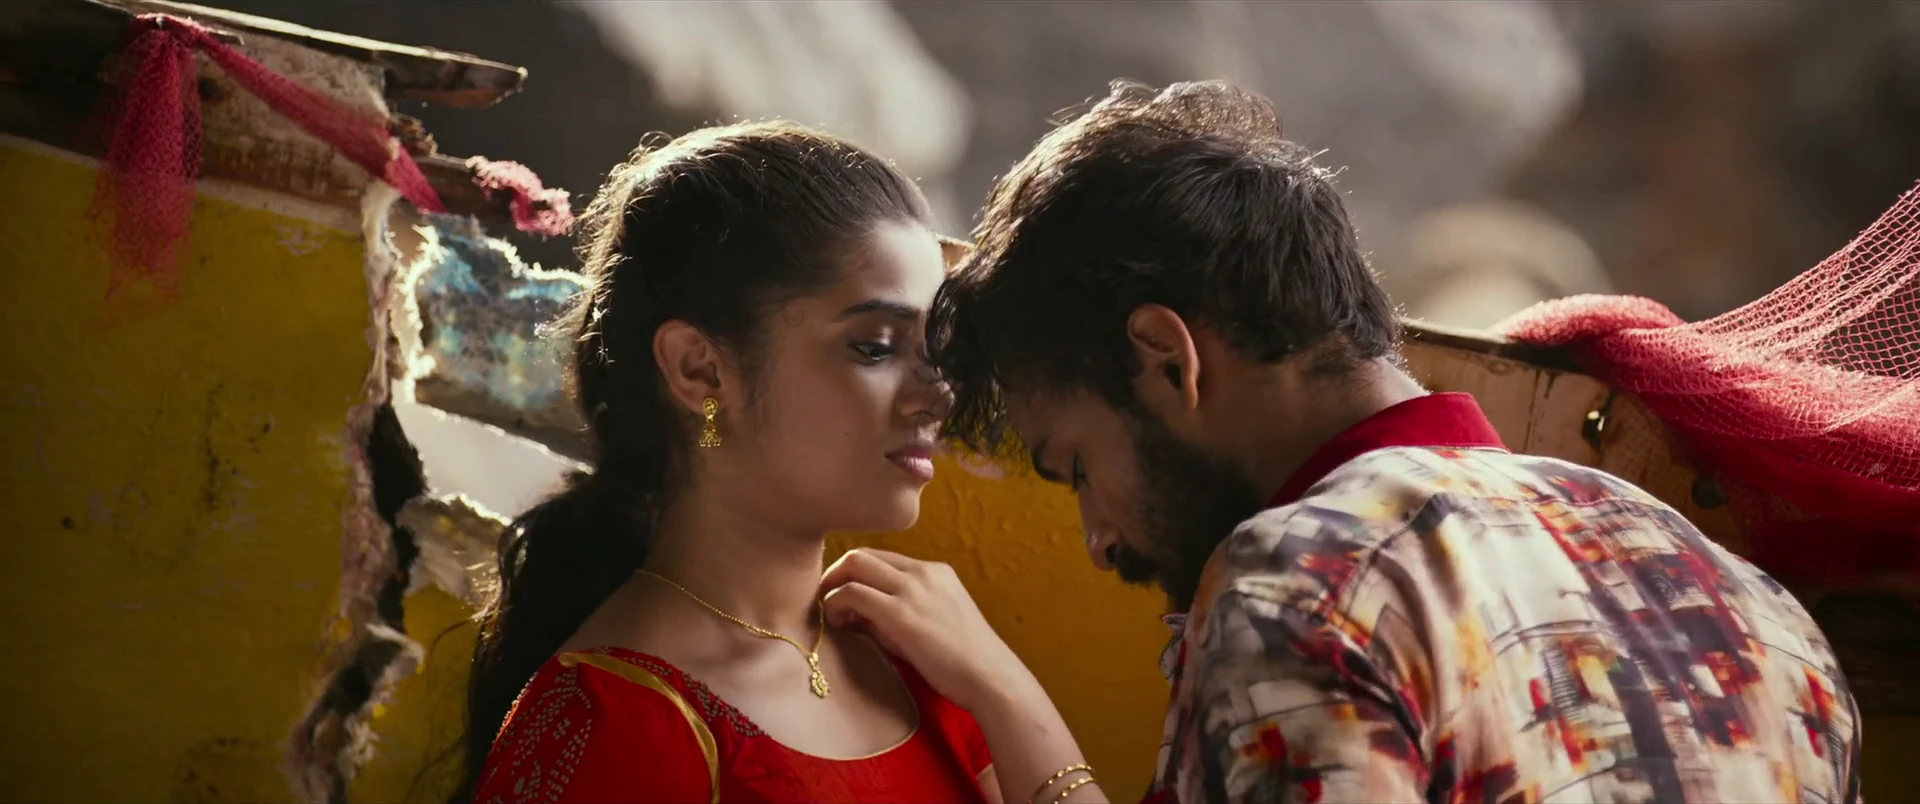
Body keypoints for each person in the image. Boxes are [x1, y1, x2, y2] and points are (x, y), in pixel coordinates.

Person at [822, 80, 1863, 804]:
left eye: (1079, 467)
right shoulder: (1737, 592)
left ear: (1168, 359)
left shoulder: (1301, 582)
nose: (1099, 538)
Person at [457, 121, 1003, 804]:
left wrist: (1001, 688)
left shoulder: (923, 654)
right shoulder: (614, 720)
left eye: (937, 349)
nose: (937, 395)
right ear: (700, 370)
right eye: (875, 347)